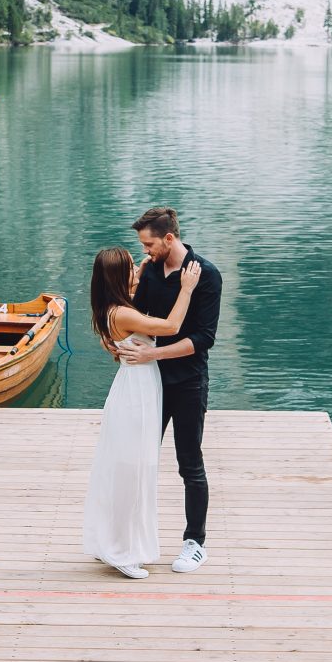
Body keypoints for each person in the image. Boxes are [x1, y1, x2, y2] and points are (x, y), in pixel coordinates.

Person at [81, 244, 204, 578]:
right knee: (133, 470)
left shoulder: (114, 305)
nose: (138, 268)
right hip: (136, 390)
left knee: (132, 468)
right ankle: (122, 550)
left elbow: (137, 293)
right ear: (119, 275)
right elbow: (172, 326)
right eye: (131, 265)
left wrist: (149, 265)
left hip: (138, 386)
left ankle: (117, 542)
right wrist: (187, 288)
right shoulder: (122, 313)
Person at [130, 206, 220, 573]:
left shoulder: (206, 275)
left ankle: (194, 543)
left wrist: (155, 352)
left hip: (187, 383)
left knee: (190, 464)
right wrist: (135, 280)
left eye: (149, 244)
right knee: (137, 460)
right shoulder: (150, 270)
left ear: (169, 238)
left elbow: (203, 338)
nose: (146, 250)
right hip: (148, 382)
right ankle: (131, 540)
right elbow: (133, 316)